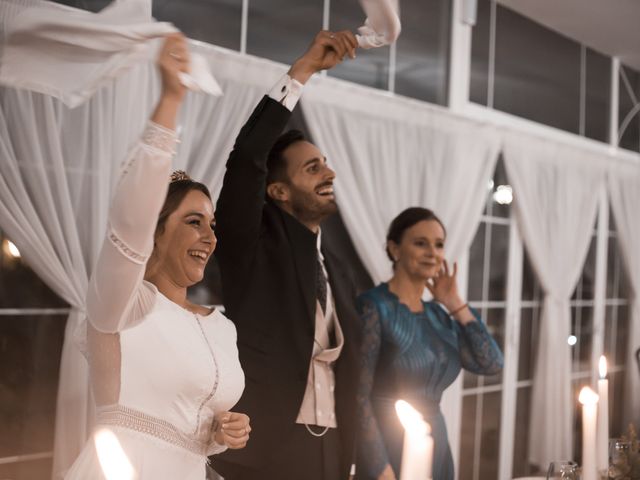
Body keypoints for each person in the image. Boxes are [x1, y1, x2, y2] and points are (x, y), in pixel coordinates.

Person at [65, 34, 250, 480]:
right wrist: (170, 100)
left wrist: (226, 432)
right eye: (193, 221)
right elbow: (128, 223)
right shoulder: (122, 305)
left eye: (212, 224)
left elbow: (196, 425)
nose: (210, 236)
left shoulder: (222, 327)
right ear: (155, 232)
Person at [211, 31, 362, 480]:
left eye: (326, 163)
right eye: (312, 168)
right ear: (277, 190)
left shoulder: (335, 266)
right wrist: (302, 72)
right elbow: (246, 160)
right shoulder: (252, 247)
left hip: (331, 450)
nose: (329, 172)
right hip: (264, 453)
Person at [355, 207, 504, 480]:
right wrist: (379, 467)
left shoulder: (437, 314)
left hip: (436, 441)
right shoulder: (373, 307)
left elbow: (491, 363)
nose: (432, 253)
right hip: (389, 444)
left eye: (439, 245)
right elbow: (357, 396)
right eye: (420, 243)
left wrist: (454, 303)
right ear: (394, 249)